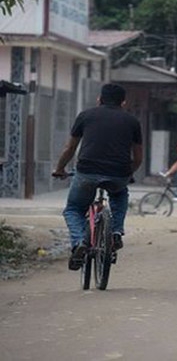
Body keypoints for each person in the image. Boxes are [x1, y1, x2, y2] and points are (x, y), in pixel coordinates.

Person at [52, 84, 143, 270]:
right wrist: (129, 172)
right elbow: (138, 157)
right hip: (118, 174)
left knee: (74, 209)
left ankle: (78, 243)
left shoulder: (85, 116)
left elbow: (70, 149)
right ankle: (116, 231)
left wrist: (59, 168)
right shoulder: (132, 121)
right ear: (123, 102)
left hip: (87, 171)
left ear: (99, 99)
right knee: (119, 194)